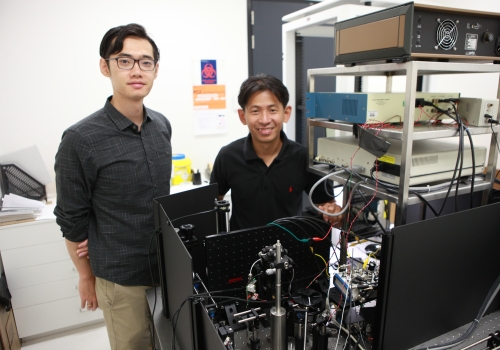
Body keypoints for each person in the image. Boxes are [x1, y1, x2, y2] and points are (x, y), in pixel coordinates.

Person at [53, 23, 171, 350]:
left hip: (166, 267)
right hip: (120, 278)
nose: (137, 70)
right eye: (124, 60)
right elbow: (71, 219)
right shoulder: (81, 139)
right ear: (105, 66)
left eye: (145, 62)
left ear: (156, 70)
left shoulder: (161, 125)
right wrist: (85, 276)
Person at [210, 74, 341, 231]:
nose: (265, 120)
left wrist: (334, 212)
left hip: (288, 249)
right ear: (242, 116)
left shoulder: (305, 157)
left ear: (286, 113)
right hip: (242, 250)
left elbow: (327, 207)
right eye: (255, 111)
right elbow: (210, 207)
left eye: (272, 110)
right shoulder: (227, 156)